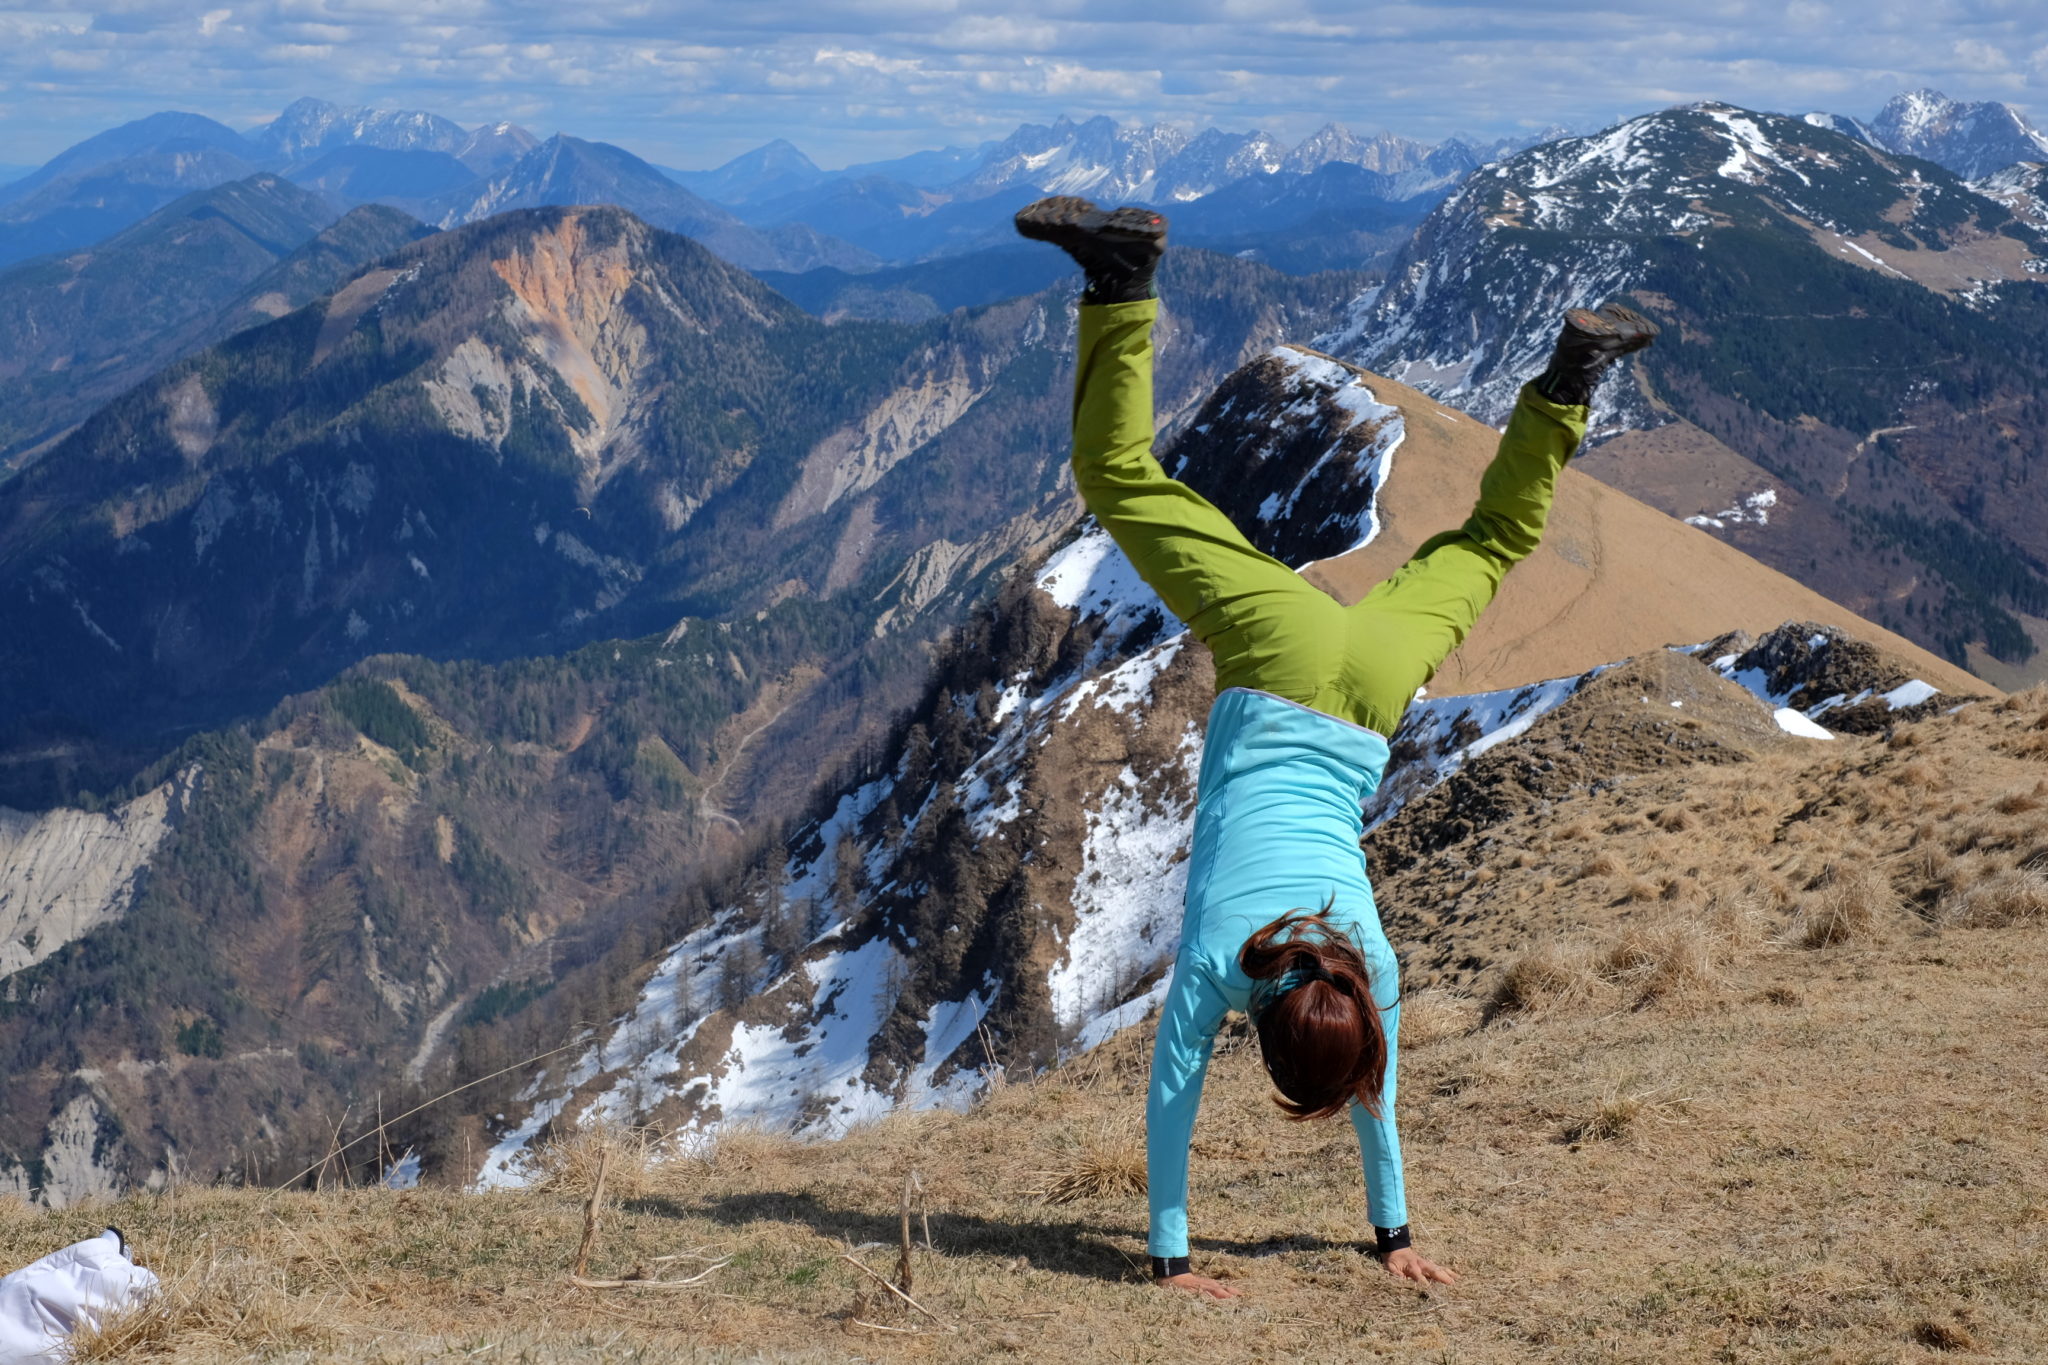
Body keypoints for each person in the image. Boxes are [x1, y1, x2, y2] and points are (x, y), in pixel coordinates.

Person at [1014, 195, 1657, 1299]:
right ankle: (1120, 281)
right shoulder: (1222, 967)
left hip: (1367, 680)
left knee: (1495, 540)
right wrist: (1168, 1258)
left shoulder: (1370, 966)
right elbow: (1171, 1106)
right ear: (1262, 1039)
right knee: (1118, 479)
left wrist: (1394, 1233)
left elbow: (1378, 1105)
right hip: (1277, 651)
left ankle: (1567, 379)